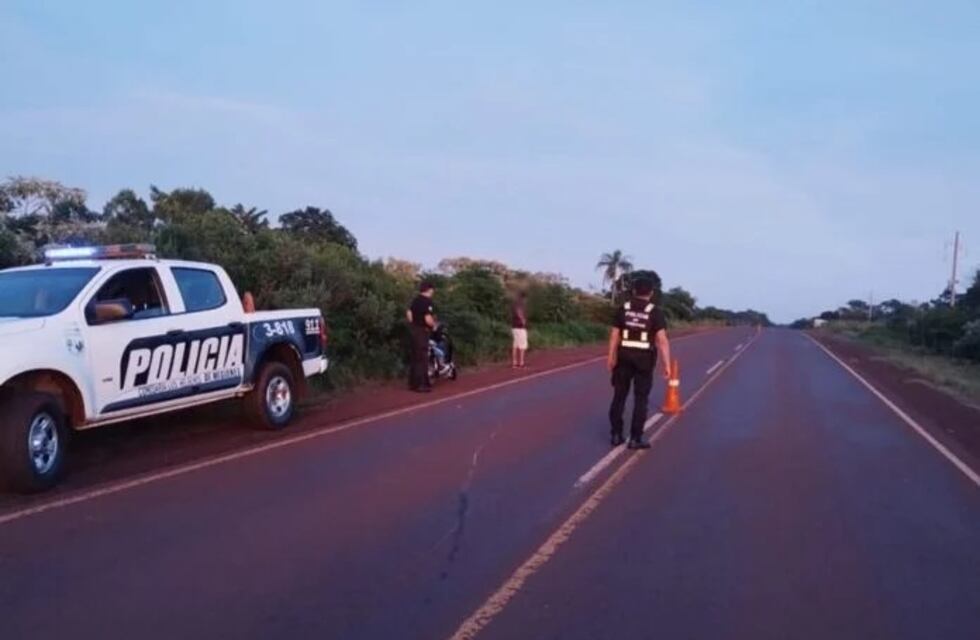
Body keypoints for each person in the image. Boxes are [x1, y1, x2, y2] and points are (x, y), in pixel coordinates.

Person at [607, 275, 671, 449]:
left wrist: (611, 357)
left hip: (623, 358)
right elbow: (662, 340)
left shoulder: (623, 309)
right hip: (644, 360)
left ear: (634, 291)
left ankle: (616, 435)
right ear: (650, 293)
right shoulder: (655, 312)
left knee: (619, 396)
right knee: (641, 399)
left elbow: (614, 336)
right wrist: (667, 364)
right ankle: (636, 438)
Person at [406, 281, 437, 392]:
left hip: (414, 330)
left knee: (415, 357)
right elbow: (427, 318)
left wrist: (413, 323)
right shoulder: (427, 302)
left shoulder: (416, 300)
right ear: (429, 290)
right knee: (422, 358)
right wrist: (433, 326)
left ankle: (412, 384)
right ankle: (421, 384)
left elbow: (409, 313)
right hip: (422, 331)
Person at [511, 291, 529, 368]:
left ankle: (514, 362)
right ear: (524, 298)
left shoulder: (515, 304)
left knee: (515, 345)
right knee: (522, 345)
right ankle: (521, 363)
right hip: (520, 327)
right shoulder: (520, 304)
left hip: (514, 327)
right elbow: (519, 312)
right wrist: (523, 320)